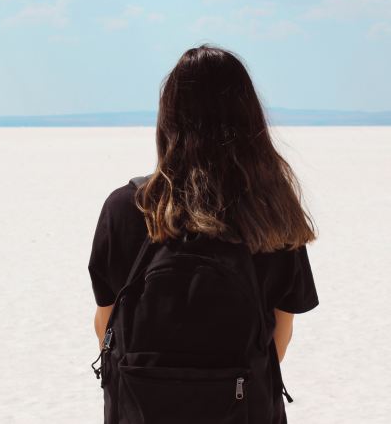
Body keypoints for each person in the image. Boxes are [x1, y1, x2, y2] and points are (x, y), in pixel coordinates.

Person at [87, 43, 320, 423]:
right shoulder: (269, 211)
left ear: (169, 119)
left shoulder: (127, 208)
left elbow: (105, 322)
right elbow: (281, 331)